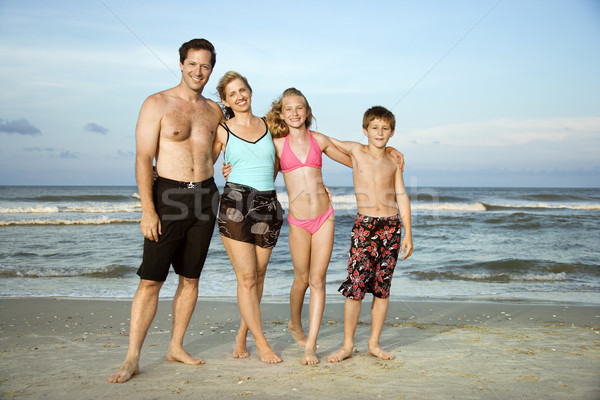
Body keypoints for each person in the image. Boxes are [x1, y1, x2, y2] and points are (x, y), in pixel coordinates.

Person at [108, 38, 223, 383]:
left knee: (190, 278)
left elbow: (232, 140)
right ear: (181, 64)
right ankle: (132, 358)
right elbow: (143, 158)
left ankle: (175, 346)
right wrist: (148, 209)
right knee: (150, 281)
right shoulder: (156, 103)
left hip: (205, 196)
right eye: (192, 63)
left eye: (205, 65)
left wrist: (220, 166)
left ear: (211, 69)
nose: (198, 71)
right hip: (168, 196)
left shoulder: (214, 110)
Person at [265, 88, 403, 365]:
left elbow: (358, 158)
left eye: (300, 108)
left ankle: (310, 346)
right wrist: (230, 170)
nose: (295, 113)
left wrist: (386, 150)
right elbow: (261, 173)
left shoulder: (319, 140)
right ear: (282, 113)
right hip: (298, 220)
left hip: (325, 217)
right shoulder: (277, 145)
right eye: (289, 109)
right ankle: (295, 323)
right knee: (301, 280)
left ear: (308, 111)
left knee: (318, 281)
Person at [326, 106, 413, 363]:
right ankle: (347, 345)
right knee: (355, 287)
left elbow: (402, 195)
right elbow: (325, 141)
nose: (380, 132)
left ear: (392, 132)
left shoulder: (393, 161)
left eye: (385, 129)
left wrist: (408, 232)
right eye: (374, 128)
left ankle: (374, 344)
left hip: (391, 227)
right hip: (365, 227)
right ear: (365, 130)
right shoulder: (356, 150)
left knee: (382, 289)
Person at [212, 71, 283, 363]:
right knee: (247, 277)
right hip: (236, 205)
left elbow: (290, 156)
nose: (240, 96)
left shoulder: (270, 125)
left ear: (250, 91)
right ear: (226, 101)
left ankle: (241, 336)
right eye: (232, 94)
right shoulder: (221, 129)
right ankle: (262, 343)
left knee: (259, 276)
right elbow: (202, 163)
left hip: (268, 205)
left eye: (243, 90)